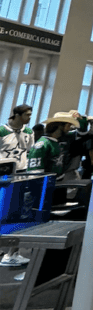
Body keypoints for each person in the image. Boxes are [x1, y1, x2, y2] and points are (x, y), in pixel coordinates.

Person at [0, 104, 35, 269]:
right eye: (26, 115)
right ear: (17, 115)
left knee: (18, 212)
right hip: (4, 176)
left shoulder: (28, 133)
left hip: (21, 174)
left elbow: (28, 151)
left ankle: (12, 252)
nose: (29, 118)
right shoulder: (2, 131)